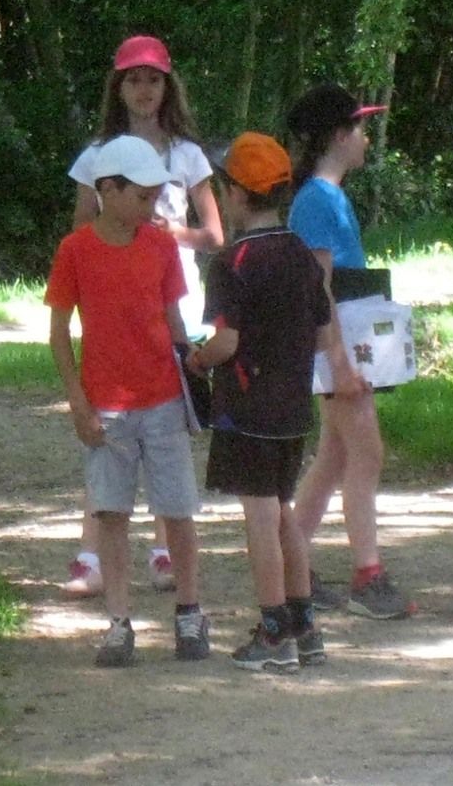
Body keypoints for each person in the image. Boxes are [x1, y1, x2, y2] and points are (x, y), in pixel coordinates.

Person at [63, 35, 224, 598]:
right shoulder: (96, 155)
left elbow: (214, 234)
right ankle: (92, 554)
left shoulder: (187, 155)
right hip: (113, 300)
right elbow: (80, 231)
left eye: (153, 79)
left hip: (174, 300)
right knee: (109, 424)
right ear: (118, 87)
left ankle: (163, 550)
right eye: (133, 79)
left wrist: (168, 233)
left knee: (164, 429)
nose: (143, 89)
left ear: (168, 86)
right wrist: (118, 232)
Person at [46, 133, 211, 666]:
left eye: (155, 195)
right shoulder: (75, 250)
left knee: (177, 510)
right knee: (111, 513)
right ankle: (119, 621)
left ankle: (189, 611)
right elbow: (58, 334)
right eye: (142, 196)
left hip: (163, 398)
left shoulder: (161, 246)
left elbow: (174, 320)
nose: (152, 207)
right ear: (108, 190)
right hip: (106, 407)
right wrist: (78, 403)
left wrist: (194, 373)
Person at [186, 132, 332, 672]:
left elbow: (226, 342)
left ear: (235, 193)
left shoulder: (234, 261)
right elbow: (323, 333)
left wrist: (198, 360)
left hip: (248, 409)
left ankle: (273, 632)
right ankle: (304, 625)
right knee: (283, 510)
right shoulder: (300, 254)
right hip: (294, 408)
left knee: (261, 515)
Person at [284, 83, 413, 620]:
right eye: (360, 128)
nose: (366, 138)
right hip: (336, 349)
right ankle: (367, 575)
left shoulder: (325, 196)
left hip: (338, 347)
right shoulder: (318, 199)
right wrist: (339, 361)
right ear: (338, 135)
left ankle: (292, 567)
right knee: (367, 453)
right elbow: (318, 288)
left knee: (336, 456)